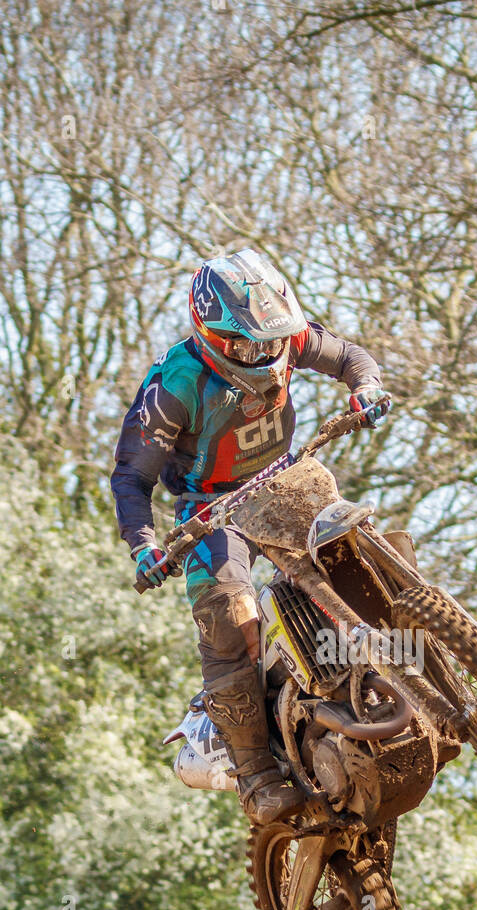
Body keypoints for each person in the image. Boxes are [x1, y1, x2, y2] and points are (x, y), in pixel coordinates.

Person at [110, 248, 391, 824]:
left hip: (282, 479)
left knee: (348, 545)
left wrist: (366, 385)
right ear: (211, 333)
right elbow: (131, 477)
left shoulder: (285, 338)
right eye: (249, 345)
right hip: (209, 507)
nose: (266, 354)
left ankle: (408, 653)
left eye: (273, 341)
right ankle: (256, 773)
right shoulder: (175, 383)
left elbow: (348, 356)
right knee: (230, 612)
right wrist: (145, 544)